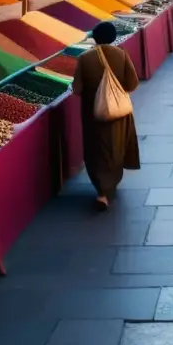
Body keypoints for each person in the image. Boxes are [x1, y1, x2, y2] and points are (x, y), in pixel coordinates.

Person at [71, 22, 140, 211]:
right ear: (113, 37)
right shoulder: (121, 54)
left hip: (93, 114)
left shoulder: (85, 58)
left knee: (96, 150)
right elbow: (132, 84)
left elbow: (77, 89)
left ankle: (101, 190)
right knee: (115, 148)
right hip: (118, 114)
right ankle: (109, 188)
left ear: (95, 37)